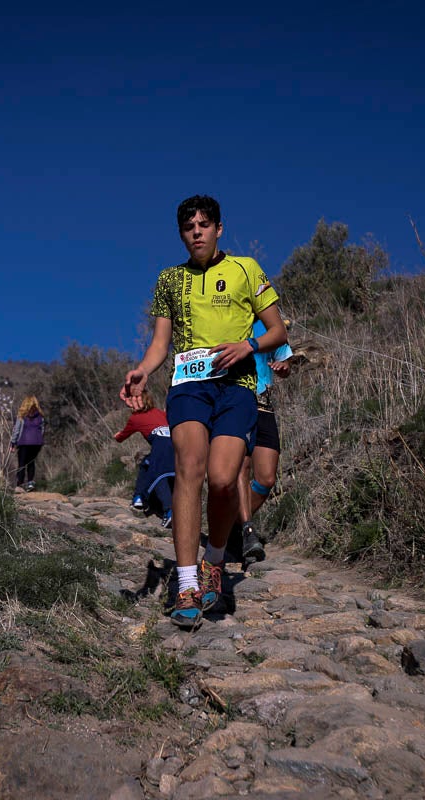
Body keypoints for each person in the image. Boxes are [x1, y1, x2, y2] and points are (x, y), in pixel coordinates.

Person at [120, 194, 287, 630]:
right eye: (188, 226)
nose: (196, 231)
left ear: (218, 229)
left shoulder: (246, 269)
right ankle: (188, 581)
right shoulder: (169, 280)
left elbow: (277, 330)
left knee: (222, 478)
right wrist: (141, 371)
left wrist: (247, 346)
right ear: (182, 234)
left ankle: (215, 558)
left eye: (204, 224)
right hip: (189, 386)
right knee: (189, 468)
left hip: (237, 387)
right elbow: (160, 343)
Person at [228, 317, 296, 566]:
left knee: (266, 479)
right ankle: (247, 531)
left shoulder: (270, 327)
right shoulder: (229, 321)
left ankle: (232, 524)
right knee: (242, 468)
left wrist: (283, 367)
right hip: (236, 403)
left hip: (264, 406)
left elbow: (285, 360)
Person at [114, 389, 174, 528]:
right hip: (176, 442)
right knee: (147, 463)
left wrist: (116, 435)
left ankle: (168, 511)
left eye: (131, 399)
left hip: (161, 444)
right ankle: (139, 496)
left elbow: (121, 437)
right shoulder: (160, 413)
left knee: (159, 475)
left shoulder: (135, 418)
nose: (128, 402)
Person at [9, 395, 44, 491]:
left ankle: (19, 485)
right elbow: (42, 430)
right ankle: (30, 484)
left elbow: (16, 430)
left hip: (24, 442)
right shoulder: (40, 416)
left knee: (22, 463)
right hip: (37, 443)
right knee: (31, 462)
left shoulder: (22, 416)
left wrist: (13, 443)